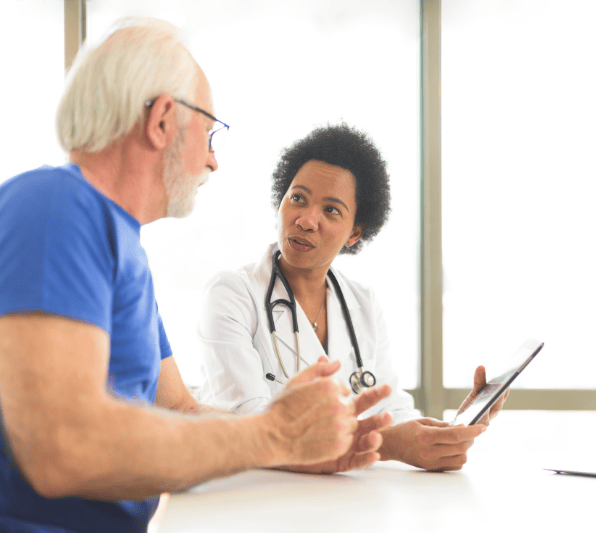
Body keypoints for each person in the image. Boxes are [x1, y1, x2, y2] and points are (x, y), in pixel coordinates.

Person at [0, 19, 391, 533]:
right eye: (209, 133)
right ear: (162, 120)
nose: (212, 160)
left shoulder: (123, 249)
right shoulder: (57, 206)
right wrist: (273, 435)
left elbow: (179, 408)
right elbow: (62, 447)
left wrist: (300, 444)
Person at [196, 123, 508, 473]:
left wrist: (450, 432)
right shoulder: (232, 294)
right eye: (298, 198)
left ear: (354, 233)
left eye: (331, 210)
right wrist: (388, 444)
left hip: (345, 496)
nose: (306, 220)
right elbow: (249, 423)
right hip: (250, 493)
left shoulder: (363, 303)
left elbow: (392, 413)